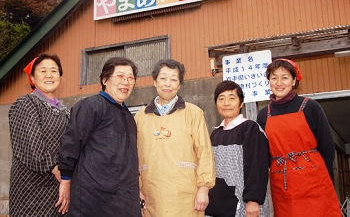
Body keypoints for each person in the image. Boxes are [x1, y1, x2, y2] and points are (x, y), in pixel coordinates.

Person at [56, 57, 141, 217]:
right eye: (120, 76)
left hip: (124, 199)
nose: (126, 82)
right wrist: (66, 180)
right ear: (105, 79)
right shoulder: (91, 106)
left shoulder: (128, 116)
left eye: (130, 78)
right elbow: (71, 143)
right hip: (93, 199)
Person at [257, 58, 341, 216]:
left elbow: (327, 146)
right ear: (268, 81)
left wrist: (321, 177)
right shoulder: (263, 115)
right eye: (274, 78)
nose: (279, 83)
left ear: (294, 81)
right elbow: (263, 155)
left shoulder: (310, 107)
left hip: (314, 180)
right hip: (282, 183)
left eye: (285, 77)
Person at [135, 59, 216, 217]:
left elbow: (204, 152)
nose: (168, 84)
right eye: (163, 78)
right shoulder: (140, 116)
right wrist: (135, 190)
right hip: (151, 195)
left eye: (173, 79)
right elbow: (131, 157)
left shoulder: (193, 113)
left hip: (186, 197)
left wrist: (204, 188)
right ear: (154, 82)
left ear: (179, 85)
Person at [9, 53, 70, 216]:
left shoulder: (65, 111)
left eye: (54, 71)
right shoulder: (26, 103)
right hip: (31, 193)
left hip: (59, 191)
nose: (49, 75)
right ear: (33, 79)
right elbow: (33, 148)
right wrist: (64, 176)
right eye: (43, 71)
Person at [205, 81, 270, 217]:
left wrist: (253, 200)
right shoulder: (215, 134)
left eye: (232, 98)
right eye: (221, 98)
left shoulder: (250, 129)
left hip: (245, 204)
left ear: (241, 104)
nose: (226, 103)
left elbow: (257, 167)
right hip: (220, 203)